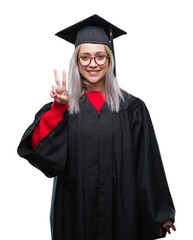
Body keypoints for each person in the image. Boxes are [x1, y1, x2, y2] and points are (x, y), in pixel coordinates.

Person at [17, 14, 176, 240]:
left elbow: (147, 163)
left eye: (100, 57)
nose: (93, 64)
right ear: (76, 61)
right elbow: (43, 156)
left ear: (110, 60)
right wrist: (58, 109)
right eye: (85, 57)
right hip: (74, 212)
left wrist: (160, 214)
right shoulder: (64, 106)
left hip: (123, 214)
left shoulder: (132, 108)